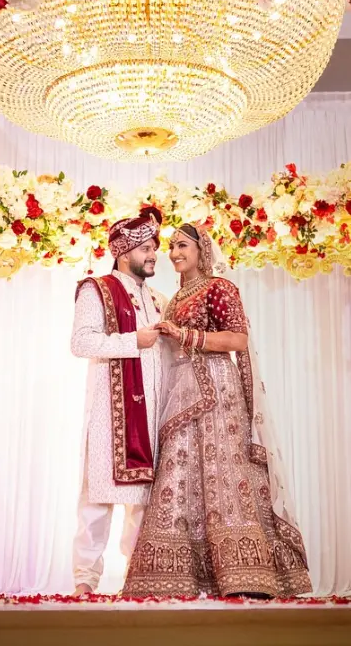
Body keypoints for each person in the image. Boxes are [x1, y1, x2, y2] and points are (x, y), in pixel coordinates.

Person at [123, 222, 311, 598]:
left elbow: (238, 338)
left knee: (224, 473)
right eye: (171, 247)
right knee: (180, 473)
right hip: (180, 394)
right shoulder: (173, 299)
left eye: (182, 245)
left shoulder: (219, 287)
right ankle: (174, 575)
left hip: (216, 392)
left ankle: (244, 574)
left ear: (201, 250)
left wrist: (188, 336)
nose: (174, 252)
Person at [69, 207, 167, 596]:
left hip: (152, 414)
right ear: (124, 252)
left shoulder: (158, 299)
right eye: (146, 248)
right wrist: (132, 342)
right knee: (98, 501)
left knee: (143, 506)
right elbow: (80, 342)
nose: (153, 255)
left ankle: (136, 581)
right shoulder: (96, 288)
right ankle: (84, 584)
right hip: (112, 416)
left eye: (154, 248)